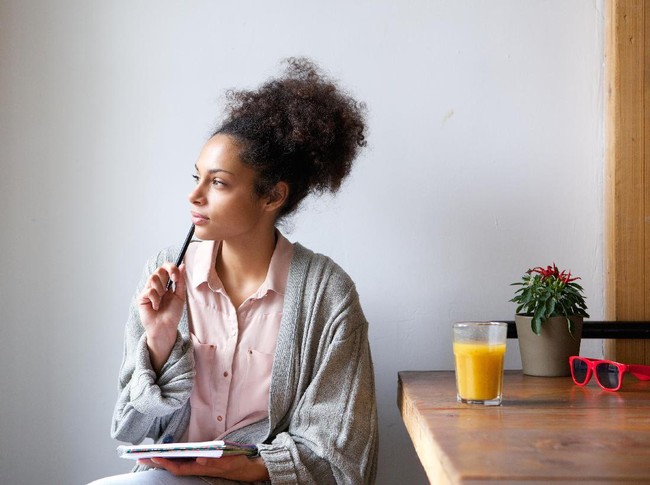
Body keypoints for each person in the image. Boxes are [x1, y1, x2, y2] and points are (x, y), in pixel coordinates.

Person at [90, 58, 378, 485]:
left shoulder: (327, 295)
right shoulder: (166, 274)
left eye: (218, 183)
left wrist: (253, 467)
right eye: (197, 177)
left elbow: (340, 452)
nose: (195, 195)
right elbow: (132, 429)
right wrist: (159, 341)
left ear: (273, 196)